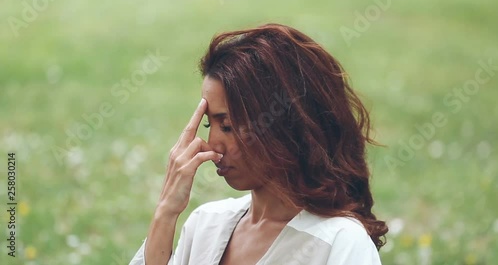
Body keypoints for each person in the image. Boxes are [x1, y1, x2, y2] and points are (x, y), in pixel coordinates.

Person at [129, 23, 388, 265]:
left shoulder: (339, 242)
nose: (213, 145)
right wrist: (165, 213)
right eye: (209, 125)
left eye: (228, 126)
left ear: (284, 124)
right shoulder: (205, 225)